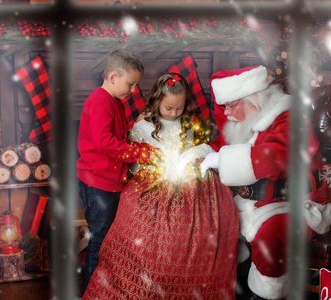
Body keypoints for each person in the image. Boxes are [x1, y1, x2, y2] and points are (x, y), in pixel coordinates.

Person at [83, 73, 239, 299]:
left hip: (181, 178)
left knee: (204, 196)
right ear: (157, 102)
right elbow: (135, 159)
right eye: (169, 108)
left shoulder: (187, 124)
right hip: (152, 179)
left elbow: (190, 149)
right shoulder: (143, 126)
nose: (174, 113)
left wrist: (192, 157)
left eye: (179, 108)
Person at [200, 65, 331, 299]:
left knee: (271, 236)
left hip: (293, 202)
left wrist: (222, 159)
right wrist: (202, 154)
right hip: (249, 200)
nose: (226, 113)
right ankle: (230, 287)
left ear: (252, 99)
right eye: (224, 106)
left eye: (231, 105)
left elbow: (278, 157)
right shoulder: (245, 117)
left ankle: (266, 294)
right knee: (208, 225)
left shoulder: (289, 118)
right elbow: (224, 149)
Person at [77, 49, 156, 289]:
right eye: (130, 84)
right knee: (99, 239)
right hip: (98, 183)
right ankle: (90, 290)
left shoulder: (115, 102)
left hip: (109, 181)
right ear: (112, 77)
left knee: (106, 238)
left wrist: (141, 147)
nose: (133, 90)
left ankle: (103, 286)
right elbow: (105, 143)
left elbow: (119, 138)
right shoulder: (100, 101)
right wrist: (140, 152)